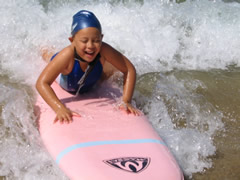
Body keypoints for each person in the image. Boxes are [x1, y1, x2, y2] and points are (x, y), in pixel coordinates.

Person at [36, 10, 141, 124]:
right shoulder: (66, 56)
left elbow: (129, 69)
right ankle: (43, 48)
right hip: (67, 72)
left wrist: (126, 101)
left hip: (91, 73)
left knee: (114, 71)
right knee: (50, 56)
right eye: (84, 41)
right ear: (72, 41)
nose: (90, 46)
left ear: (101, 38)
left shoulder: (103, 49)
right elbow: (42, 83)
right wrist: (59, 108)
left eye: (96, 40)